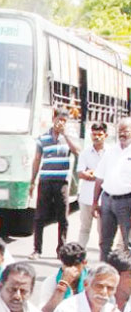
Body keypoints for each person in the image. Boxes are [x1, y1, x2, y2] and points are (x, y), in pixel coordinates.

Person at [29, 108, 81, 260]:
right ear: (54, 119)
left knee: (63, 217)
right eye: (59, 120)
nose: (61, 123)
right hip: (45, 181)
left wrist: (65, 134)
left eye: (64, 121)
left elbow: (77, 151)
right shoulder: (43, 138)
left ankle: (61, 249)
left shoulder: (69, 138)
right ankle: (37, 250)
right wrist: (32, 181)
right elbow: (37, 160)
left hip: (62, 182)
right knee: (39, 217)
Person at [93, 117, 131, 261]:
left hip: (126, 202)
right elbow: (99, 178)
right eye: (120, 130)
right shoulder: (111, 151)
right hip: (107, 200)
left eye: (125, 131)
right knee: (105, 242)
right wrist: (95, 202)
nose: (122, 134)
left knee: (129, 242)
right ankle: (104, 272)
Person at [37, 242, 88, 312]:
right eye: (67, 265)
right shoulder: (51, 281)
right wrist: (62, 285)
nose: (71, 270)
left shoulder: (92, 280)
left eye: (75, 265)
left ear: (84, 263)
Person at [76, 122, 106, 247]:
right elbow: (80, 173)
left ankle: (103, 260)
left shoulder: (110, 152)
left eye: (99, 134)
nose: (97, 137)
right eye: (94, 134)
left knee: (103, 232)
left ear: (106, 135)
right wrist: (99, 175)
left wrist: (93, 173)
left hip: (105, 198)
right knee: (84, 229)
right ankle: (78, 257)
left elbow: (110, 174)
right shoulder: (85, 153)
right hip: (86, 197)